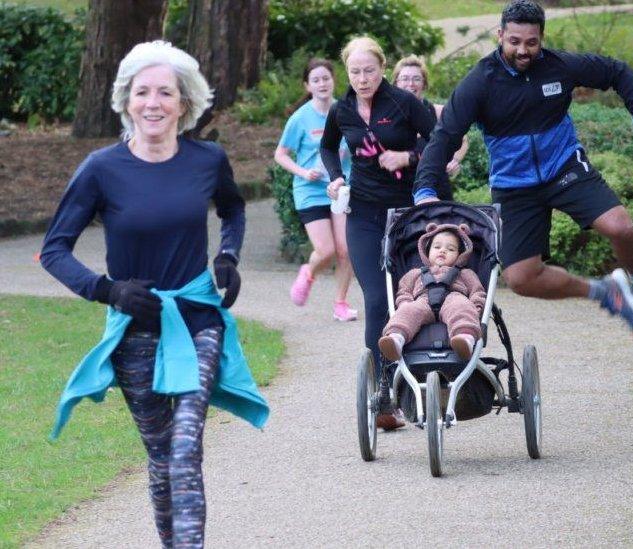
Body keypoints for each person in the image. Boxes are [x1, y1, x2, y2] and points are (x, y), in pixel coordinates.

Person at [39, 41, 269, 548]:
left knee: (185, 447)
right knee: (163, 455)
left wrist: (227, 257)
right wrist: (108, 290)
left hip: (196, 318)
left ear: (184, 103)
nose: (153, 102)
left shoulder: (208, 159)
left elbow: (232, 209)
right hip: (134, 331)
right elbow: (54, 250)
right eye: (142, 92)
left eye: (165, 92)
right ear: (126, 101)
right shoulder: (101, 168)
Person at [413, 0, 633, 335]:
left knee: (621, 228)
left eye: (531, 42)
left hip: (565, 168)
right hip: (515, 186)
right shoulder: (479, 83)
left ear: (541, 38)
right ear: (500, 36)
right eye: (514, 42)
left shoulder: (559, 66)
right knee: (521, 278)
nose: (523, 50)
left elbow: (616, 71)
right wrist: (424, 190)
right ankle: (603, 292)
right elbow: (445, 136)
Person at [320, 36, 437, 430]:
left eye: (369, 70)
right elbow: (327, 148)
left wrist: (409, 156)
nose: (362, 78)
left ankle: (422, 383)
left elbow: (441, 141)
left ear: (383, 69)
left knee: (415, 296)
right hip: (364, 215)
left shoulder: (405, 104)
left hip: (407, 215)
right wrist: (335, 178)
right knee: (376, 299)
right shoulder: (342, 110)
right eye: (354, 72)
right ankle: (385, 391)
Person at [274, 58, 358, 321]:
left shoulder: (346, 111)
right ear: (308, 86)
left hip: (341, 188)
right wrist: (303, 172)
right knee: (327, 251)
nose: (322, 83)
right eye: (316, 80)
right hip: (310, 190)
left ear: (334, 81)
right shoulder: (299, 119)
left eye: (326, 78)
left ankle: (341, 303)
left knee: (347, 250)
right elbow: (281, 154)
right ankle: (308, 272)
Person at [378, 223, 486, 363]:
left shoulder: (465, 273)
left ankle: (465, 339)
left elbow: (477, 292)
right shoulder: (415, 273)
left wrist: (475, 307)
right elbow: (404, 291)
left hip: (453, 297)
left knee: (462, 306)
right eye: (437, 247)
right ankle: (396, 339)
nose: (442, 251)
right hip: (422, 301)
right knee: (408, 310)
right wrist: (405, 303)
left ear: (461, 255)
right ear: (427, 251)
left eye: (450, 249)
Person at [391, 55, 470, 200]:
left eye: (416, 79)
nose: (411, 84)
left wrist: (455, 160)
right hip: (398, 192)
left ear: (424, 84)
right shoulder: (385, 117)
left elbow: (463, 139)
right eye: (405, 78)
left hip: (435, 190)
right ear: (396, 83)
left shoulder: (439, 112)